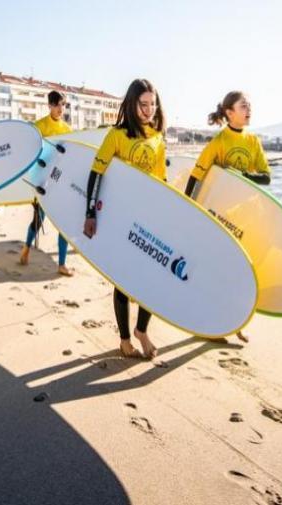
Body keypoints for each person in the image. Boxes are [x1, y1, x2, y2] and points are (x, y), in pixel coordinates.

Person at [83, 79, 166, 359]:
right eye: (143, 104)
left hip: (150, 218)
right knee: (123, 279)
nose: (149, 110)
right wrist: (90, 212)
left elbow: (161, 182)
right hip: (121, 218)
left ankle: (142, 330)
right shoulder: (117, 135)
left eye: (152, 104)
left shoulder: (157, 137)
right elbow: (96, 172)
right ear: (132, 105)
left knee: (153, 279)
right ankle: (125, 339)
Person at [184, 90, 271, 343]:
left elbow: (266, 177)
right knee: (218, 270)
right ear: (229, 112)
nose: (248, 109)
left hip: (249, 217)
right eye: (243, 106)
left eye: (249, 105)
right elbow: (196, 174)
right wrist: (187, 207)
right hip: (222, 217)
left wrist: (243, 176)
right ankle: (210, 323)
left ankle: (236, 322)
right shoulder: (219, 142)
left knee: (243, 273)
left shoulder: (253, 141)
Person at [19, 90, 73, 276]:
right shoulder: (39, 126)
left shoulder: (67, 129)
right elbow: (30, 151)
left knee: (63, 222)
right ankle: (26, 248)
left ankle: (62, 264)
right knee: (38, 219)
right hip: (42, 179)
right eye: (57, 105)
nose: (61, 108)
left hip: (59, 180)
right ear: (49, 105)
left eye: (63, 105)